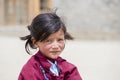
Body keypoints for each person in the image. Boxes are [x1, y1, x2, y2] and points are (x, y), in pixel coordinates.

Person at [18, 11, 82, 80]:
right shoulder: (31, 69)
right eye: (48, 41)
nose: (55, 46)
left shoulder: (69, 69)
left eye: (59, 40)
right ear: (35, 42)